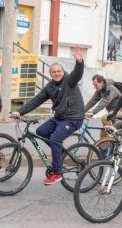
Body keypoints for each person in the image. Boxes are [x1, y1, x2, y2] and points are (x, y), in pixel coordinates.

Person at [11, 46, 85, 185]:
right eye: (53, 72)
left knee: (55, 139)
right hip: (60, 117)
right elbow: (36, 100)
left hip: (74, 118)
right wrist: (19, 112)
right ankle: (60, 153)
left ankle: (56, 173)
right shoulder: (50, 87)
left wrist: (79, 62)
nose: (56, 73)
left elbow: (77, 73)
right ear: (50, 74)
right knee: (41, 131)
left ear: (63, 72)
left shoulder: (69, 81)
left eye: (59, 71)